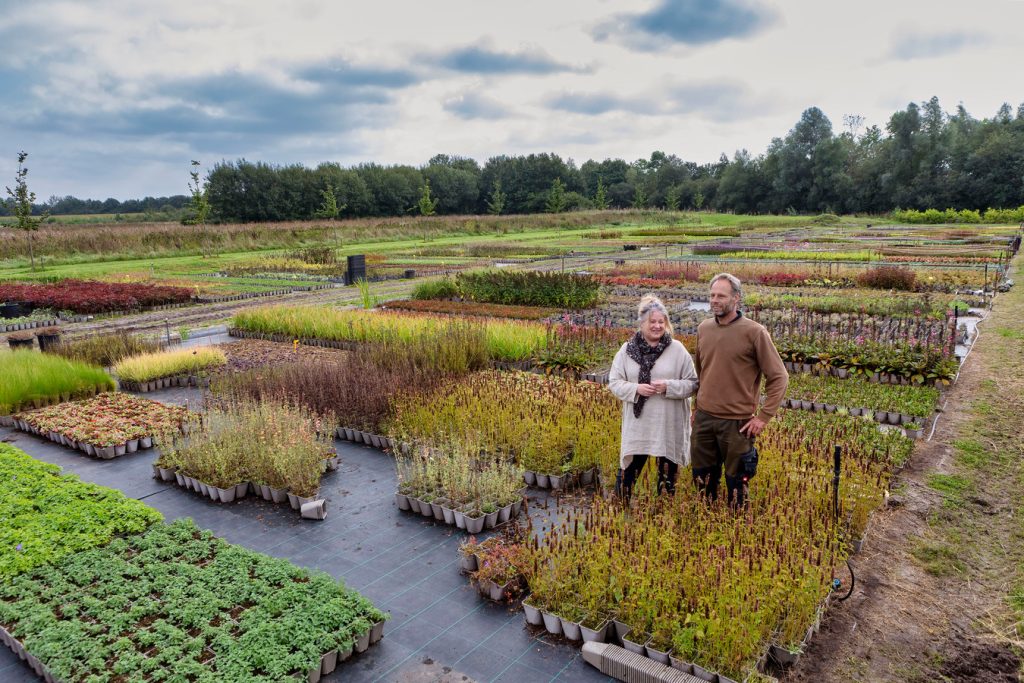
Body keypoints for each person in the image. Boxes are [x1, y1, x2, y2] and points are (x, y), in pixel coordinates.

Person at [691, 273, 788, 507]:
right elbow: (701, 372)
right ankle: (708, 521)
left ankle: (738, 528)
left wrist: (764, 417)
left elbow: (779, 376)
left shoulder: (754, 332)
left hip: (736, 424)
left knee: (737, 482)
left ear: (736, 298)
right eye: (712, 295)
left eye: (721, 296)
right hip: (704, 419)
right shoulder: (704, 329)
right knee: (703, 478)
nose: (715, 300)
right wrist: (696, 406)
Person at [608, 294, 698, 500]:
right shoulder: (626, 351)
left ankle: (662, 512)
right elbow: (614, 382)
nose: (657, 326)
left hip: (667, 423)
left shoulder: (677, 350)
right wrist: (635, 389)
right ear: (642, 323)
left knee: (666, 478)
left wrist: (669, 386)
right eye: (652, 322)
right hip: (640, 425)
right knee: (629, 473)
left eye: (661, 322)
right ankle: (620, 510)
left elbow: (693, 383)